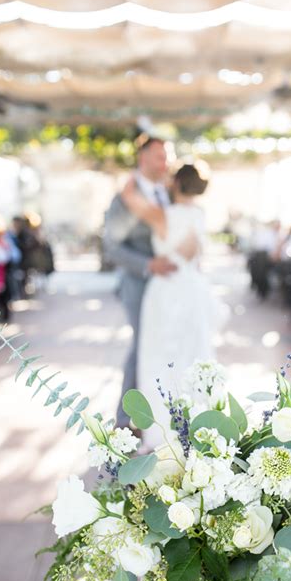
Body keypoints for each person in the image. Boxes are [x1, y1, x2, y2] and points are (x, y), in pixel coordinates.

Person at [121, 161, 219, 448]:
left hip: (166, 291)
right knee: (193, 355)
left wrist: (151, 173)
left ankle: (160, 432)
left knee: (158, 359)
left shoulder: (163, 215)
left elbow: (129, 196)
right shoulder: (199, 214)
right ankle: (197, 428)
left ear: (175, 183)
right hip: (192, 290)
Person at [105, 136, 177, 431]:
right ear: (143, 158)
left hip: (170, 285)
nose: (165, 163)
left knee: (166, 346)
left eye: (167, 156)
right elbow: (112, 247)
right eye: (160, 156)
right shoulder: (124, 198)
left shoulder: (168, 194)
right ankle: (124, 419)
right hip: (138, 284)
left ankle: (161, 411)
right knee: (141, 346)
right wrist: (148, 265)